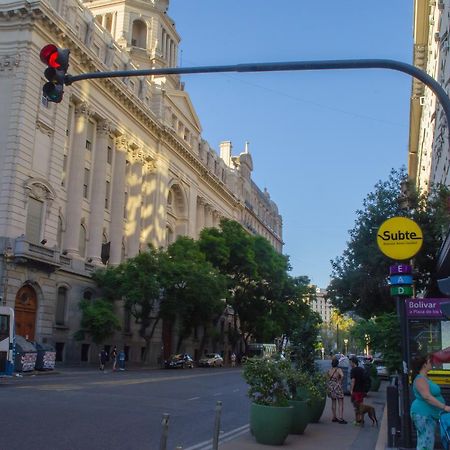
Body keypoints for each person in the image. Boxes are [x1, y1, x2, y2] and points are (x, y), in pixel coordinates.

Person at [411, 354, 450, 449]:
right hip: (423, 415)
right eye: (430, 362)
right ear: (424, 365)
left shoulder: (425, 378)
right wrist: (444, 407)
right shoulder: (420, 379)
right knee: (425, 443)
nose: (432, 363)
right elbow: (427, 397)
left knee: (426, 442)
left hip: (428, 415)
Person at [327, 357, 347, 424]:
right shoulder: (338, 370)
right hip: (337, 386)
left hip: (331, 386)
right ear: (337, 363)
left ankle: (334, 417)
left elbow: (327, 377)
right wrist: (339, 382)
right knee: (340, 402)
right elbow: (342, 376)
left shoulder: (330, 370)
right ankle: (341, 418)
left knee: (333, 401)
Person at [349, 355, 366, 425]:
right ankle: (362, 419)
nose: (350, 364)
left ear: (353, 363)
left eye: (351, 362)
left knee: (356, 405)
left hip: (356, 390)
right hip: (361, 390)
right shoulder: (362, 370)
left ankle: (357, 420)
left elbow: (353, 380)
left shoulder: (353, 370)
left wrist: (351, 390)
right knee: (361, 404)